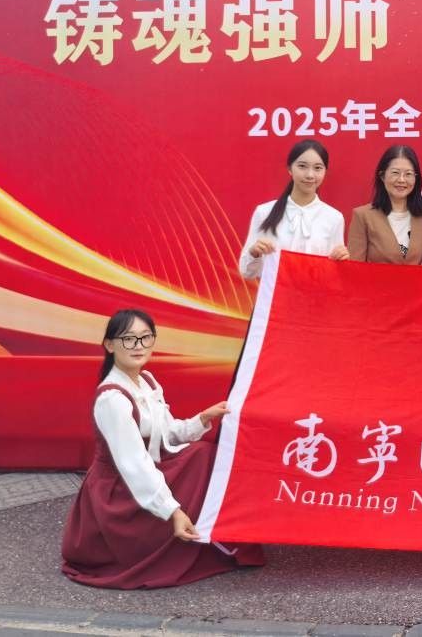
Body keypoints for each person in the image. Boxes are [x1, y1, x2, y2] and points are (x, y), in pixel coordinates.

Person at [62, 309, 264, 588]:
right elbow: (134, 465)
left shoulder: (146, 381)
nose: (138, 346)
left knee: (205, 454)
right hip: (120, 492)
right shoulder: (112, 399)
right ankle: (210, 536)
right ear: (109, 345)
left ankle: (222, 532)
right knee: (202, 458)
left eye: (145, 338)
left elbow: (167, 433)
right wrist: (173, 512)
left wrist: (202, 419)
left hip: (146, 473)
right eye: (128, 339)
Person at [239, 139, 348, 279]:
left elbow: (333, 277)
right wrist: (254, 253)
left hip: (312, 292)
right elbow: (246, 273)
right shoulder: (264, 212)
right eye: (302, 166)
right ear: (290, 169)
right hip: (273, 293)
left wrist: (339, 262)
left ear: (325, 171)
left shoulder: (334, 218)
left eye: (318, 168)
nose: (310, 175)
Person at [347, 145, 422, 264]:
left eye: (408, 174)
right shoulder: (363, 216)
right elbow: (355, 266)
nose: (402, 180)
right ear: (382, 176)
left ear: (416, 178)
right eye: (395, 173)